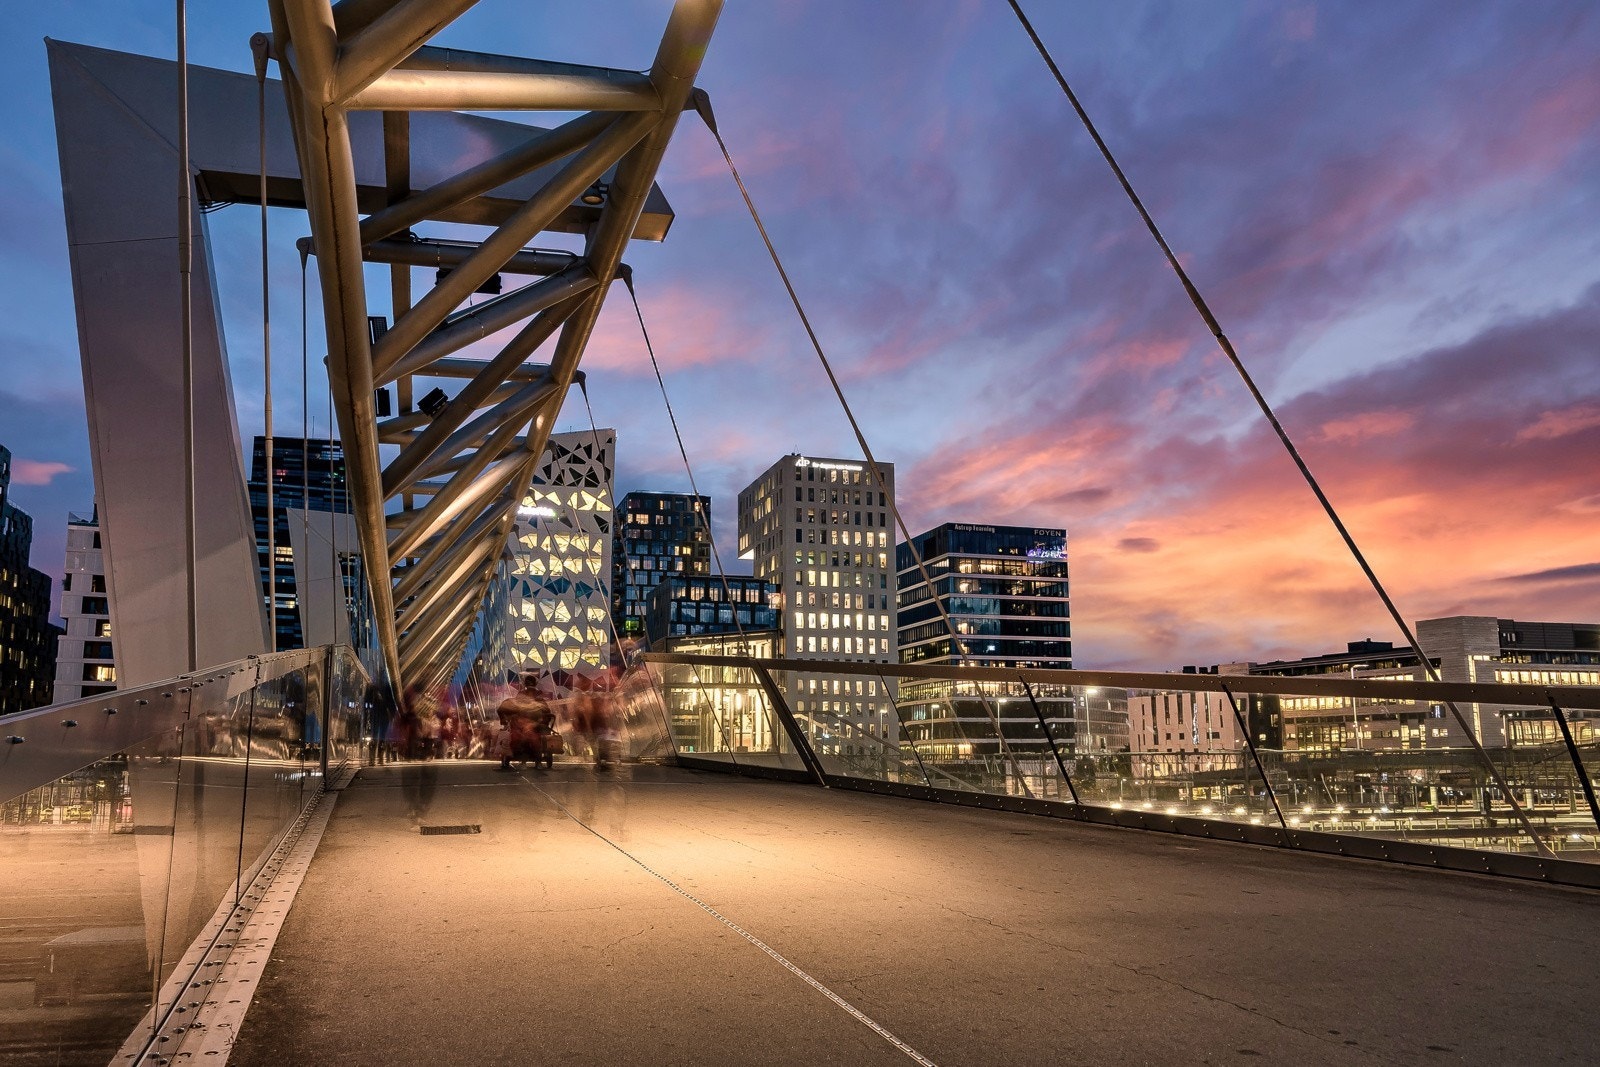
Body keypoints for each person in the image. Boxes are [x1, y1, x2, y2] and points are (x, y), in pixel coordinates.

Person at [496, 675, 547, 772]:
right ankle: (537, 761)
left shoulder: (522, 695)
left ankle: (526, 761)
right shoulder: (538, 696)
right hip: (530, 725)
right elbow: (546, 710)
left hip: (527, 725)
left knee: (525, 738)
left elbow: (509, 708)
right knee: (532, 739)